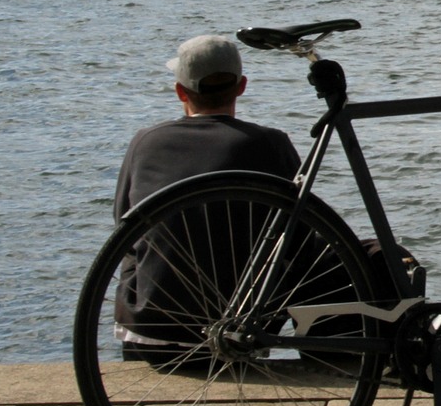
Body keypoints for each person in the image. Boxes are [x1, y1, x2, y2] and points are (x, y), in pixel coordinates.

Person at [111, 35, 301, 364]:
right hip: (240, 331)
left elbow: (122, 220)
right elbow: (300, 235)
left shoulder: (146, 142)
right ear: (242, 86)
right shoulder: (271, 143)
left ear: (180, 91)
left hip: (150, 330)